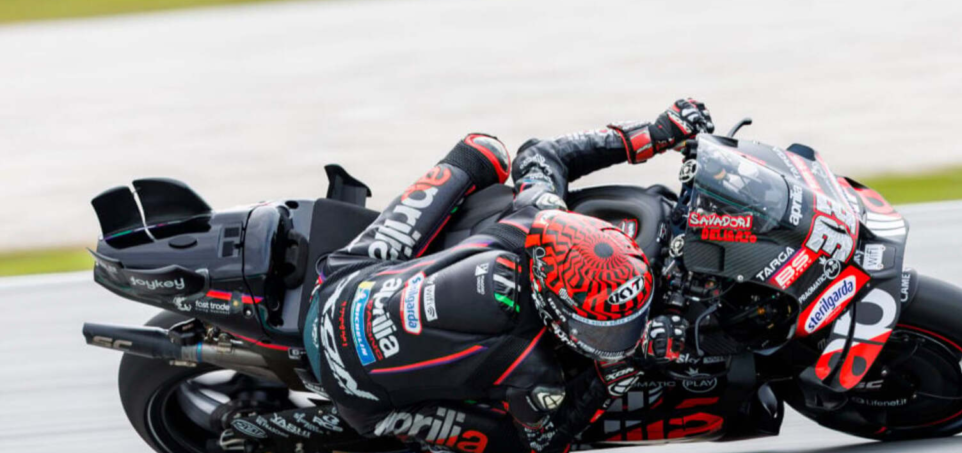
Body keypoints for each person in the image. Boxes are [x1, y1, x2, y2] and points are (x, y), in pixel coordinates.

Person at [228, 99, 714, 453]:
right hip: (357, 388)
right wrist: (610, 377)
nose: (610, 335)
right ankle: (275, 428)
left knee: (483, 151)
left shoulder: (536, 214)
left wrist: (646, 136)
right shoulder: (531, 368)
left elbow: (541, 155)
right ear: (553, 307)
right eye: (599, 326)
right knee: (508, 444)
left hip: (345, 279)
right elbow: (546, 440)